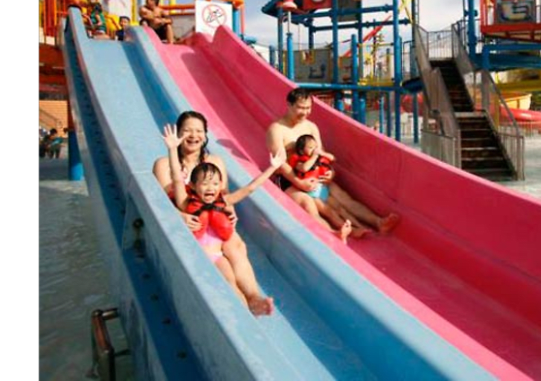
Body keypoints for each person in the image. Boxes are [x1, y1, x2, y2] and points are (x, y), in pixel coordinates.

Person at [153, 111, 272, 316]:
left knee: (236, 245)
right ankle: (238, 301)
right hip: (188, 222)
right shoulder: (164, 164)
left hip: (215, 221)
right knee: (222, 267)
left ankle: (253, 297)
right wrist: (181, 216)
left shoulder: (215, 161)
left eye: (199, 131)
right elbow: (162, 202)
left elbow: (223, 195)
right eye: (187, 131)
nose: (194, 135)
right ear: (178, 133)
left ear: (206, 134)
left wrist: (230, 211)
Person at [266, 88, 400, 236]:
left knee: (343, 197)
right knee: (308, 203)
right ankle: (332, 233)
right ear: (289, 105)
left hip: (313, 173)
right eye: (300, 108)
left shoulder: (311, 127)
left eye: (308, 108)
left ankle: (378, 222)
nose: (305, 112)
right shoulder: (277, 129)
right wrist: (299, 182)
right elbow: (280, 163)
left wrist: (330, 171)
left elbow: (320, 153)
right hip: (289, 179)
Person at [288, 134, 354, 243]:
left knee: (338, 209)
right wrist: (314, 156)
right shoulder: (299, 161)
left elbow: (333, 158)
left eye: (315, 147)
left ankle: (352, 228)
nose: (314, 150)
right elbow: (304, 168)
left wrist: (321, 153)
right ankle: (336, 232)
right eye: (310, 147)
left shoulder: (318, 157)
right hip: (311, 194)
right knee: (329, 212)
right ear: (301, 150)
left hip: (321, 189)